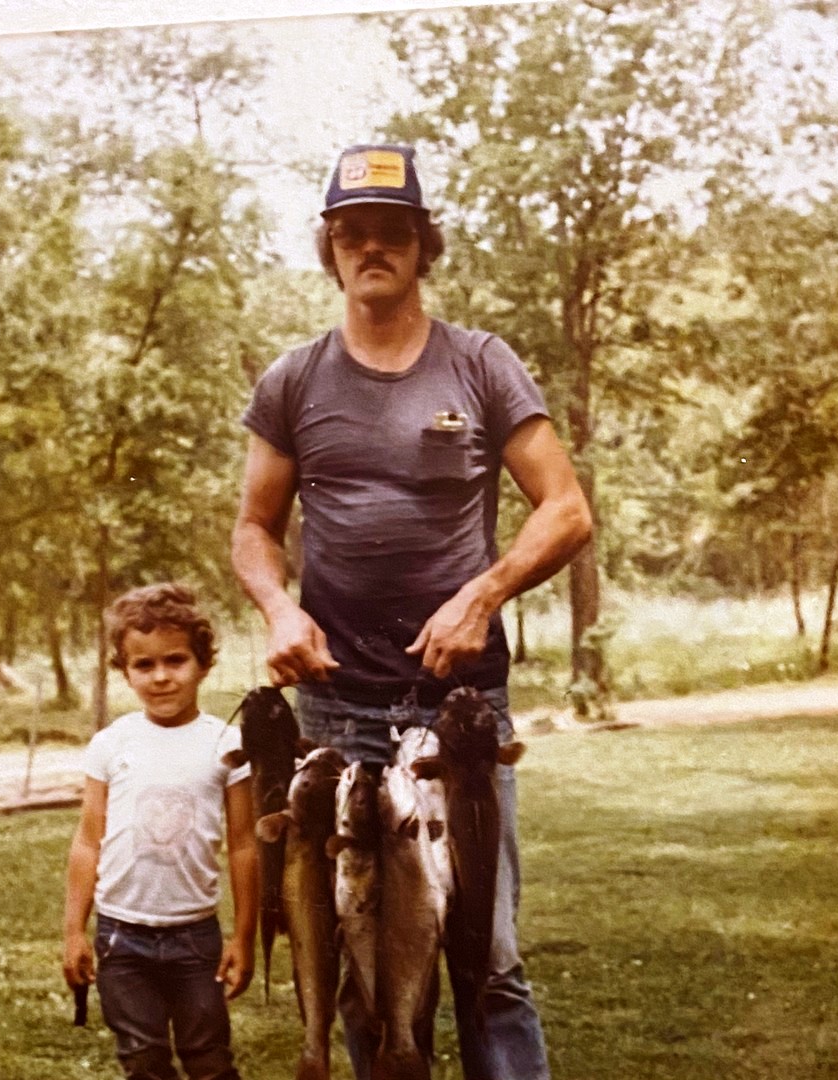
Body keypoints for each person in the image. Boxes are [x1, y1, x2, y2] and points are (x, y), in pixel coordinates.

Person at [232, 143, 591, 1080]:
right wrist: (277, 610)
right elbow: (254, 528)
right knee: (360, 962)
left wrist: (482, 594)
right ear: (330, 248)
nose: (371, 248)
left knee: (489, 962)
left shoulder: (481, 364)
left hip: (457, 713)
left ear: (424, 244)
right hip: (336, 714)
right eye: (350, 232)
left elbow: (566, 509)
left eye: (391, 231)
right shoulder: (293, 381)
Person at [62, 583, 258, 1080]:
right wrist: (73, 932)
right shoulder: (112, 744)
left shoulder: (227, 744)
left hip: (195, 936)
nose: (161, 677)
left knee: (209, 1059)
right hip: (121, 936)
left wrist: (243, 937)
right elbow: (87, 841)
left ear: (203, 663)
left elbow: (243, 845)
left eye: (176, 660)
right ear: (125, 670)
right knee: (144, 1060)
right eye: (143, 665)